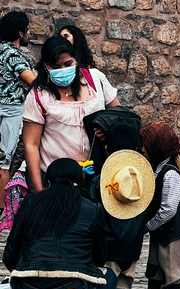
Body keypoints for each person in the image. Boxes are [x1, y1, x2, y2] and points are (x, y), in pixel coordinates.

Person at [2, 159, 118, 289]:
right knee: (110, 276)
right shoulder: (92, 208)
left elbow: (9, 256)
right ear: (79, 181)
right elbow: (100, 259)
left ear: (48, 182)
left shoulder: (29, 203)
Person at [22, 35, 120, 193]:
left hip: (97, 177)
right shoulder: (39, 95)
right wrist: (39, 191)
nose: (62, 71)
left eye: (68, 64)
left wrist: (108, 130)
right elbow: (31, 144)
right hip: (57, 182)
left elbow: (119, 117)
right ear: (46, 67)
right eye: (55, 66)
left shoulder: (95, 80)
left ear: (76, 60)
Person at [127, 124, 180, 289]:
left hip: (174, 234)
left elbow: (168, 210)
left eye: (146, 146)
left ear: (158, 146)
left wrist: (146, 227)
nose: (143, 150)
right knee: (155, 271)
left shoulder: (171, 175)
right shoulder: (158, 169)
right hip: (161, 232)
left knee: (172, 274)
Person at [93, 124, 154, 289]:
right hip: (133, 242)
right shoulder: (138, 179)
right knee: (122, 285)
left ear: (107, 148)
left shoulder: (106, 180)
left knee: (104, 280)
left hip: (110, 242)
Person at [0, 11, 36, 165]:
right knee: (4, 157)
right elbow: (33, 81)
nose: (29, 33)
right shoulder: (13, 54)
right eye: (27, 29)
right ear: (20, 33)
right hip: (11, 109)